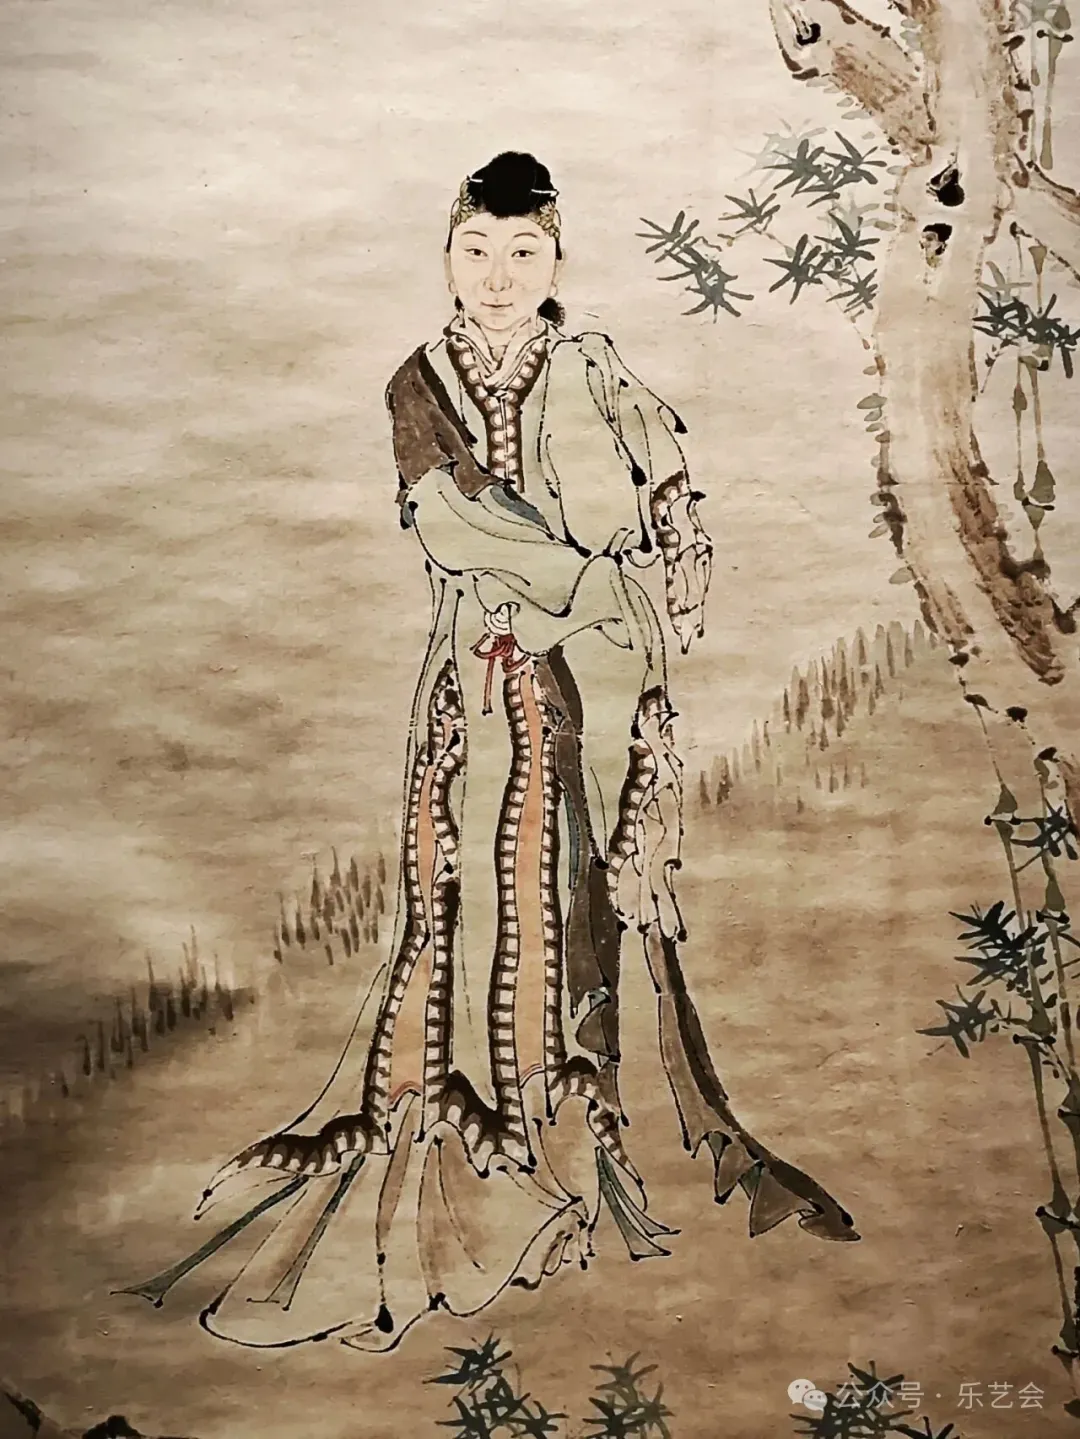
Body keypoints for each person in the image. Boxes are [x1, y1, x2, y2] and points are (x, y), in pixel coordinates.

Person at [122, 152, 856, 1352]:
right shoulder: (420, 385)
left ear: (556, 260)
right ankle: (503, 1171)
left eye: (524, 253)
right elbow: (453, 524)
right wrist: (596, 584)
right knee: (477, 913)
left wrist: (666, 549)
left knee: (593, 908)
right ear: (448, 257)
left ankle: (597, 1162)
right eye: (477, 252)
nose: (499, 275)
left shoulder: (593, 366)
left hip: (603, 688)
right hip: (482, 684)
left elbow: (667, 478)